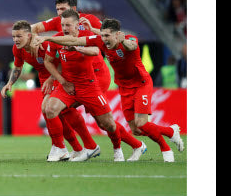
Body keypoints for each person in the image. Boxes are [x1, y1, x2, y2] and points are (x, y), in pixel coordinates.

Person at [34, 17, 185, 162]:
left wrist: (123, 41)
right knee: (136, 130)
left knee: (140, 123)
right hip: (123, 86)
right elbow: (76, 40)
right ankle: (168, 133)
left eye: (107, 36)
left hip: (141, 83)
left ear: (118, 34)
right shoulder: (100, 40)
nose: (105, 39)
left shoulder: (130, 39)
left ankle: (165, 148)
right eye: (103, 35)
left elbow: (131, 46)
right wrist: (48, 39)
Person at [1, 20, 99, 162]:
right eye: (13, 37)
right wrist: (10, 83)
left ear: (29, 35)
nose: (15, 40)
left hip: (58, 75)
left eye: (19, 36)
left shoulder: (44, 44)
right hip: (44, 77)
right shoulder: (17, 49)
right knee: (56, 113)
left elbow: (61, 62)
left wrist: (53, 78)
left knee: (49, 108)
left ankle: (60, 147)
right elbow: (17, 67)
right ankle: (76, 148)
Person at [31, 0, 102, 36]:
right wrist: (34, 37)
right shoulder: (57, 20)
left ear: (74, 8)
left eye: (63, 9)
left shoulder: (89, 19)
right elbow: (31, 28)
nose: (59, 13)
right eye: (57, 9)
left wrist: (92, 29)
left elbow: (110, 34)